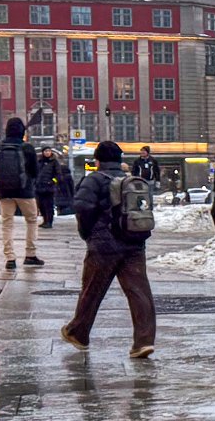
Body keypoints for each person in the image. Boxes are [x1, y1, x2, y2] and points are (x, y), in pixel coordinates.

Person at [61, 140, 158, 359]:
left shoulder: (94, 179)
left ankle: (78, 333)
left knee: (92, 290)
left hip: (104, 245)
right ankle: (144, 342)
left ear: (97, 160)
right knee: (139, 292)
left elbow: (82, 206)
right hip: (134, 244)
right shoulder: (130, 180)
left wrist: (88, 234)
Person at [0, 118, 42, 271]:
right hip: (24, 191)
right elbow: (35, 171)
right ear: (22, 131)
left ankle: (10, 257)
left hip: (4, 191)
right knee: (32, 220)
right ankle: (30, 255)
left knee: (7, 223)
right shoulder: (27, 148)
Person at [34, 147, 61, 228]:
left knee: (48, 205)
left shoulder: (54, 162)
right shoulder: (40, 162)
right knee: (41, 205)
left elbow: (58, 175)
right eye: (45, 151)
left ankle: (49, 221)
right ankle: (45, 220)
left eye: (49, 151)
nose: (47, 153)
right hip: (39, 187)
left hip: (49, 188)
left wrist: (52, 181)